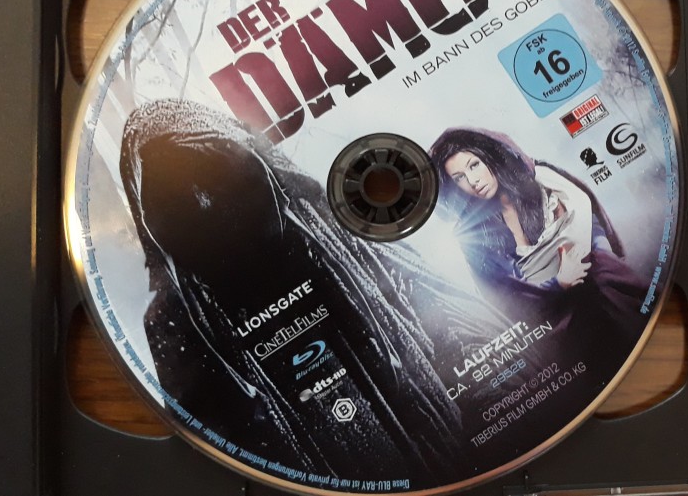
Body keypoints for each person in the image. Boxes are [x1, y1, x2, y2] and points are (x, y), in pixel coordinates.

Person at [118, 99, 503, 486]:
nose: (210, 206)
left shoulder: (353, 247)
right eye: (180, 205)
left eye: (222, 180)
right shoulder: (183, 338)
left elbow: (476, 343)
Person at [429, 127, 647, 383]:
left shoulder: (542, 179)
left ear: (489, 156)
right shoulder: (473, 235)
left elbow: (589, 220)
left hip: (598, 279)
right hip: (551, 321)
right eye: (459, 178)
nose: (473, 181)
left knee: (606, 283)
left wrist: (596, 257)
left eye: (474, 165)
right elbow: (506, 297)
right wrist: (559, 283)